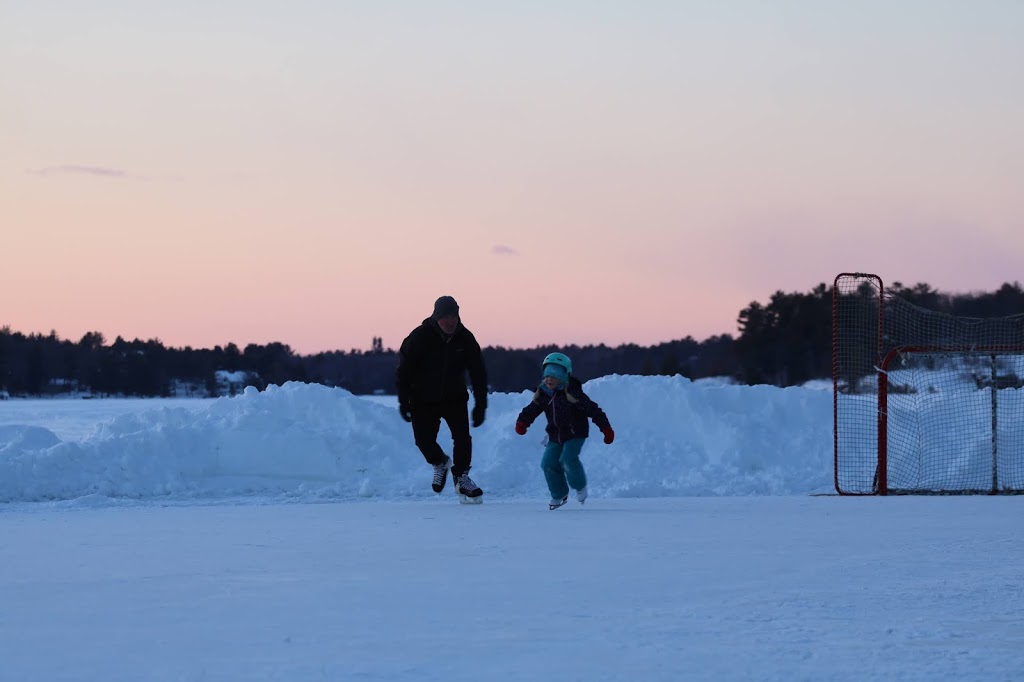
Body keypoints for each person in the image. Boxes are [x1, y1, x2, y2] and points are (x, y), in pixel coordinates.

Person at [396, 295, 488, 502]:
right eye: (446, 317)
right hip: (422, 398)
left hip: (454, 397)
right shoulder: (418, 337)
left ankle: (462, 477)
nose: (451, 321)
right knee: (423, 441)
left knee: (463, 439)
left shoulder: (466, 338)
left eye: (454, 316)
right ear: (436, 317)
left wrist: (481, 404)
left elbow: (478, 373)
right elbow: (403, 372)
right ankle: (439, 462)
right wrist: (404, 401)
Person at [514, 352, 614, 509]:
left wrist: (606, 428)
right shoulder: (543, 394)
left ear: (564, 377)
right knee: (547, 463)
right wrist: (523, 422)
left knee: (567, 459)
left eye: (554, 376)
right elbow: (532, 409)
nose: (549, 379)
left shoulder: (573, 394)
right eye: (547, 375)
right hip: (555, 435)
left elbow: (594, 410)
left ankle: (580, 486)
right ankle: (559, 493)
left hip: (576, 434)